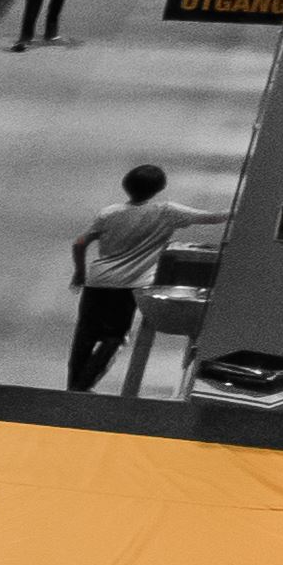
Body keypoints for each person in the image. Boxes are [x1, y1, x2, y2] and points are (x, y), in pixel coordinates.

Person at [68, 161, 188, 394]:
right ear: (159, 189)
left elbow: (80, 243)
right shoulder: (162, 213)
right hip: (128, 286)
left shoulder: (109, 213)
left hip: (96, 282)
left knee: (85, 334)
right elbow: (212, 217)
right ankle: (82, 386)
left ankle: (73, 383)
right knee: (115, 336)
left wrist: (79, 272)